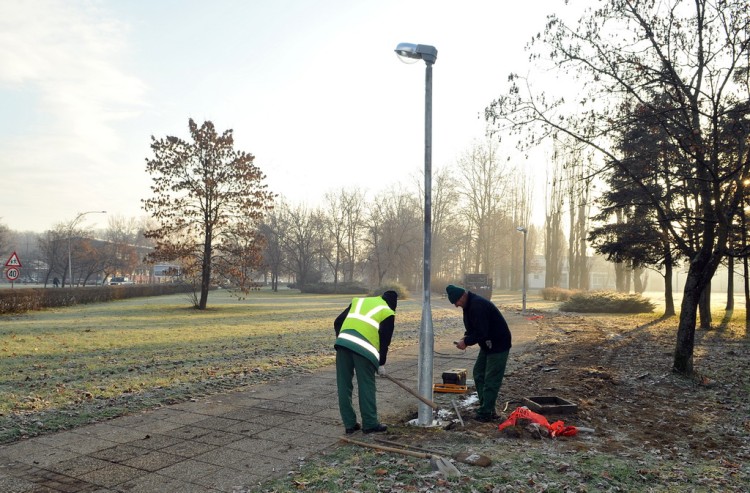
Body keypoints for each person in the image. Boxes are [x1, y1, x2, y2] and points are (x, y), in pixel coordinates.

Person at [333, 290, 398, 435]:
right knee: (366, 385)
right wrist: (381, 363)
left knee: (343, 385)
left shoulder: (359, 301)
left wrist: (343, 338)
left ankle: (349, 424)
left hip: (342, 345)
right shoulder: (387, 312)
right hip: (363, 350)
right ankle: (369, 424)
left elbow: (338, 321)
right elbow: (384, 340)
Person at [446, 284, 512, 422]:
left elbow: (482, 332)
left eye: (457, 301)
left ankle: (486, 412)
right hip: (487, 344)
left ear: (463, 295)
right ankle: (487, 406)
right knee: (478, 372)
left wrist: (467, 342)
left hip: (498, 343)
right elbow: (473, 327)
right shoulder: (468, 305)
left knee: (491, 378)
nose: (456, 305)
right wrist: (465, 337)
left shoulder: (477, 305)